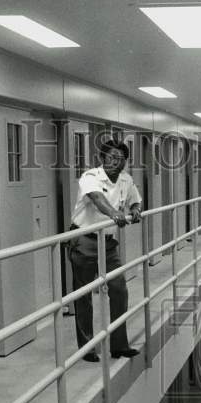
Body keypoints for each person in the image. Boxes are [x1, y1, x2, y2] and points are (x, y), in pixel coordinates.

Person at [68, 139, 143, 362]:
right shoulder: (91, 177)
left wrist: (136, 210)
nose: (116, 163)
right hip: (84, 239)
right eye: (111, 158)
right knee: (84, 295)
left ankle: (119, 345)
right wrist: (114, 214)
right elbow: (97, 198)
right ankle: (87, 348)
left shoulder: (126, 180)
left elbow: (135, 201)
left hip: (108, 242)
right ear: (102, 158)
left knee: (119, 289)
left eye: (121, 159)